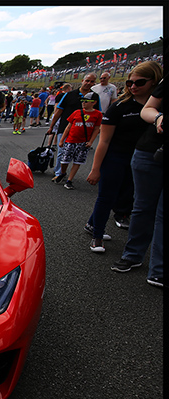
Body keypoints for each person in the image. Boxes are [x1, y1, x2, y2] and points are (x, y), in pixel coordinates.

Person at [85, 61, 162, 254]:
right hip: (115, 157)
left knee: (125, 197)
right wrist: (96, 169)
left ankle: (92, 223)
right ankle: (97, 235)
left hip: (142, 159)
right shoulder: (119, 107)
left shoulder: (160, 108)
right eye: (129, 83)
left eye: (139, 83)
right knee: (106, 196)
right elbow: (104, 141)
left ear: (154, 82)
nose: (133, 87)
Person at [111, 75, 163, 288]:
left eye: (140, 82)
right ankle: (132, 255)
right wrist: (159, 118)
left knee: (162, 213)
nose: (133, 87)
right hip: (150, 151)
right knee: (142, 207)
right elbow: (148, 109)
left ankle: (158, 269)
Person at [48, 73, 100, 181]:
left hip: (83, 132)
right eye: (87, 80)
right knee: (62, 151)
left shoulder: (94, 97)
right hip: (65, 127)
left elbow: (97, 115)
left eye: (92, 81)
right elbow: (59, 110)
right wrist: (52, 126)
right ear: (82, 80)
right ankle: (59, 173)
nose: (89, 83)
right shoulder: (69, 95)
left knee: (78, 155)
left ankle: (70, 177)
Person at [55, 91, 102, 190]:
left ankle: (69, 180)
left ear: (94, 102)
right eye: (83, 101)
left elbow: (96, 129)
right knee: (64, 160)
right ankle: (63, 173)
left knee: (77, 161)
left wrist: (91, 142)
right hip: (71, 140)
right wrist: (62, 140)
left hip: (83, 142)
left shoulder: (97, 114)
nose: (83, 103)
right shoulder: (77, 112)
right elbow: (68, 127)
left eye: (86, 101)